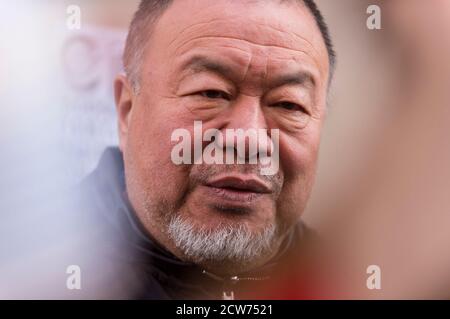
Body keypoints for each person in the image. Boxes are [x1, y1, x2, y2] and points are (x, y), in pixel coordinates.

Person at [79, 0, 335, 299]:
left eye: (288, 104)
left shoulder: (347, 283)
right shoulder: (31, 272)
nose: (248, 140)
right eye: (210, 93)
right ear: (127, 112)